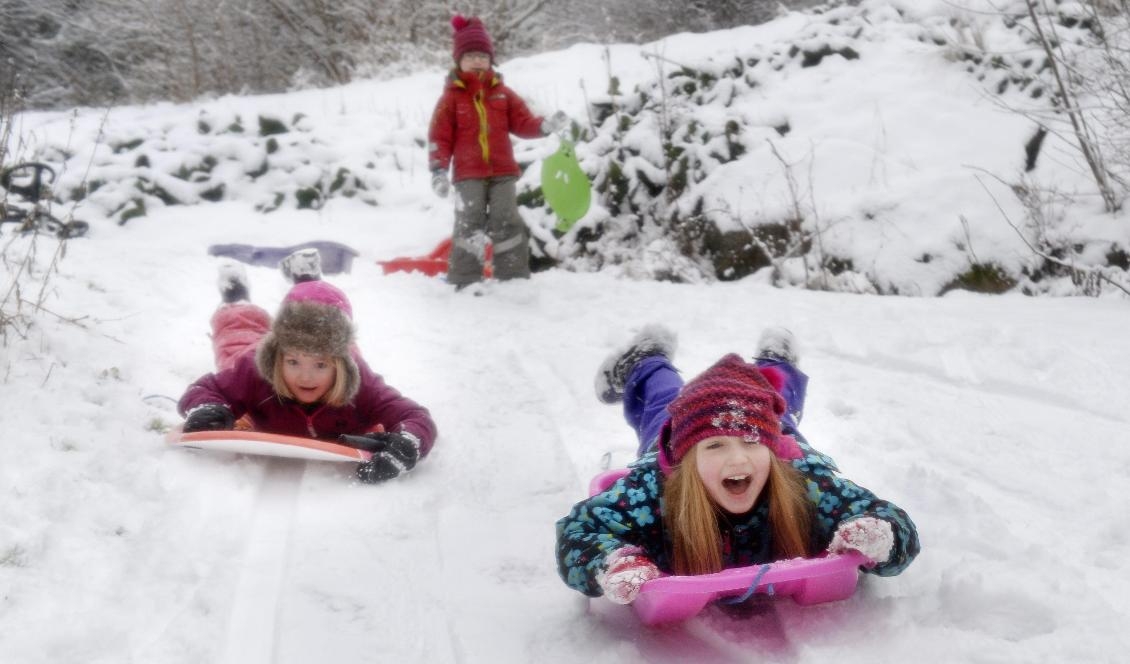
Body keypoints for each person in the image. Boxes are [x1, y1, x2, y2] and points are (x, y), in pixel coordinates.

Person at [556, 325, 920, 604]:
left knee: (777, 402)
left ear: (771, 448)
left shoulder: (804, 481)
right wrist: (612, 562)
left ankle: (776, 362)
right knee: (667, 401)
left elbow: (889, 520)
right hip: (678, 435)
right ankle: (648, 360)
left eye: (749, 443)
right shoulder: (651, 492)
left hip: (772, 436)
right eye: (715, 446)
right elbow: (579, 532)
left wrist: (877, 534)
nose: (737, 458)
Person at [177, 248, 438, 484]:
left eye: (320, 365)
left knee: (329, 340)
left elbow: (415, 417)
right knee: (238, 340)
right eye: (293, 362)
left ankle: (308, 283)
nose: (305, 376)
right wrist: (208, 407)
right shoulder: (256, 368)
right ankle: (237, 300)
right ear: (279, 356)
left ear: (340, 365)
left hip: (338, 353)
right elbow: (205, 388)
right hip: (268, 355)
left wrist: (406, 445)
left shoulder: (359, 383)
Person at [427, 14, 568, 291]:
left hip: (503, 172)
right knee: (469, 223)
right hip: (468, 175)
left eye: (483, 55)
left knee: (507, 221)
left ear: (492, 59)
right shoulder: (451, 98)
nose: (477, 61)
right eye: (470, 56)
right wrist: (438, 170)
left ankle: (512, 277)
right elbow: (439, 137)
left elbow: (523, 122)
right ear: (458, 61)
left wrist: (545, 126)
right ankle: (466, 280)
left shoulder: (503, 93)